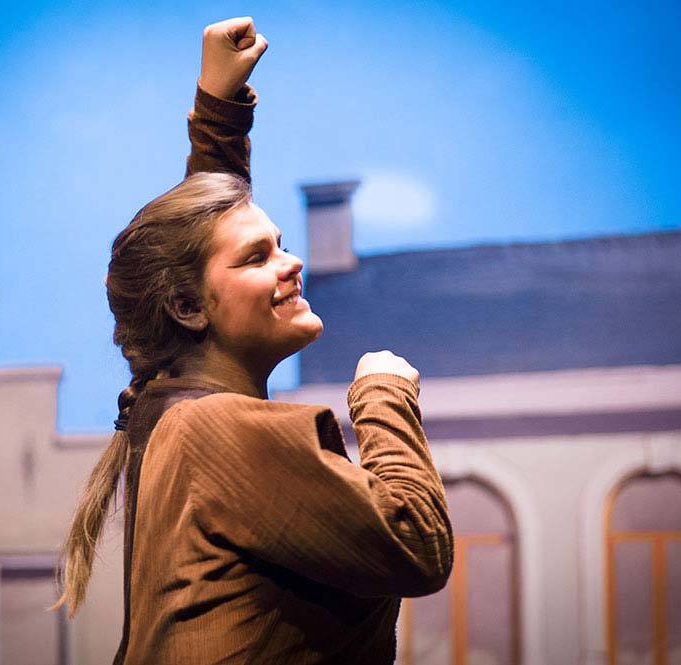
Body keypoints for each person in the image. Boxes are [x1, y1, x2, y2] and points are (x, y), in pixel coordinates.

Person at [50, 16, 454, 664]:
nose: (292, 264)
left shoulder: (170, 410)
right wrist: (383, 395)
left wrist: (219, 109)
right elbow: (414, 543)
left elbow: (196, 248)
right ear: (186, 308)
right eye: (260, 257)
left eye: (282, 245)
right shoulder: (217, 430)